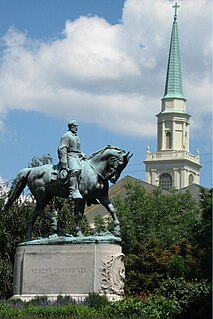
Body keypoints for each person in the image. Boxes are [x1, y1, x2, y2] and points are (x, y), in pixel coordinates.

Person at [57, 120, 84, 200]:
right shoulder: (66, 136)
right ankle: (72, 191)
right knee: (75, 170)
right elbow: (62, 148)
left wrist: (81, 153)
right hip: (70, 157)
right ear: (71, 126)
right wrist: (64, 161)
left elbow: (77, 149)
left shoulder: (76, 137)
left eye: (77, 126)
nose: (76, 128)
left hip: (77, 157)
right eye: (75, 126)